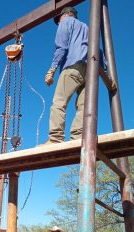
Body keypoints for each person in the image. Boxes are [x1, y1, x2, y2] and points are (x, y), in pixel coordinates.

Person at [43, 6, 89, 145]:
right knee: (83, 106)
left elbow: (61, 47)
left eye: (59, 19)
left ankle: (55, 138)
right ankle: (78, 137)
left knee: (59, 102)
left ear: (68, 14)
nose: (58, 22)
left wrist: (52, 69)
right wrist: (106, 73)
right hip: (89, 71)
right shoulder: (87, 28)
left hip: (72, 66)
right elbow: (98, 50)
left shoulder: (66, 22)